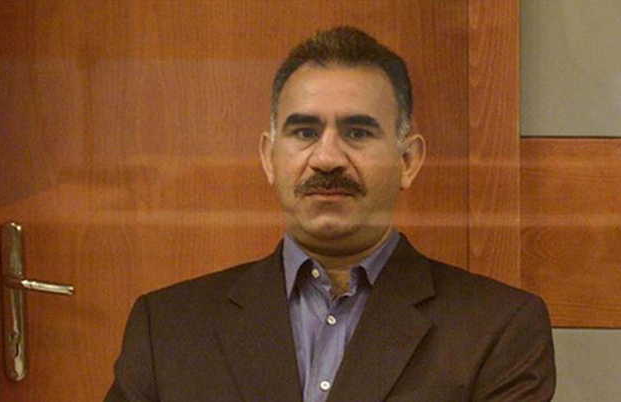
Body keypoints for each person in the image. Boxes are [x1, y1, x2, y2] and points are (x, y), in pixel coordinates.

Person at [105, 26, 555, 402]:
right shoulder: (167, 327)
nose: (327, 158)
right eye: (304, 131)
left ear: (407, 162)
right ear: (268, 159)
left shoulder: (497, 329)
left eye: (357, 132)